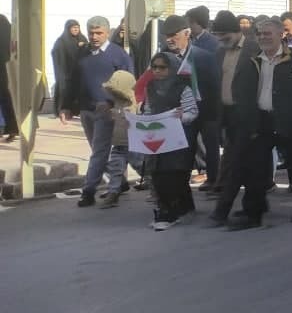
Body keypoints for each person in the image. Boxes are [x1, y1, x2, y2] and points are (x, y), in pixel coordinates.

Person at [224, 19, 292, 230]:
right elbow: (241, 89)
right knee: (255, 168)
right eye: (260, 34)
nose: (263, 37)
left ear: (281, 35)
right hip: (261, 120)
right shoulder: (253, 59)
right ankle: (253, 212)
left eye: (268, 34)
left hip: (290, 120)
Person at [61, 16, 134, 208]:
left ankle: (88, 191)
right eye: (91, 32)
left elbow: (128, 85)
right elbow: (72, 80)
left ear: (107, 33)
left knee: (99, 152)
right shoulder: (82, 53)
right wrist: (66, 105)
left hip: (107, 111)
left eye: (99, 33)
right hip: (86, 110)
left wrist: (111, 103)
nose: (94, 36)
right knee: (98, 150)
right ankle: (120, 182)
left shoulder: (119, 55)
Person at [208, 11, 261, 224]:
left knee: (234, 164)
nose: (221, 39)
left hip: (249, 116)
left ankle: (222, 210)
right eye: (218, 35)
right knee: (244, 164)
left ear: (236, 31)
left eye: (224, 35)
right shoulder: (220, 53)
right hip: (228, 116)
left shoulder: (254, 50)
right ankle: (256, 205)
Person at [138, 53, 201, 230]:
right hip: (158, 137)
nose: (157, 71)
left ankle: (172, 212)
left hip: (179, 138)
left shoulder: (182, 87)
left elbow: (192, 112)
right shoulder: (150, 86)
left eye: (162, 67)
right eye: (154, 67)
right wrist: (141, 122)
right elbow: (149, 109)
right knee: (158, 173)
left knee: (175, 174)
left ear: (172, 68)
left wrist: (181, 117)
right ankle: (173, 209)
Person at [159, 15, 222, 193]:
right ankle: (180, 184)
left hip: (206, 109)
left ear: (187, 33)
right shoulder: (163, 57)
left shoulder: (204, 57)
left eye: (174, 35)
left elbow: (215, 85)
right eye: (166, 35)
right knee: (183, 149)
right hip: (180, 111)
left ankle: (213, 180)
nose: (170, 39)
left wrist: (217, 113)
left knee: (211, 147)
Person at [51, 19, 88, 126]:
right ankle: (64, 113)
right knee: (65, 92)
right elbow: (56, 55)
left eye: (77, 27)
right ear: (68, 29)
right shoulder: (62, 41)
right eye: (73, 28)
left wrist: (83, 46)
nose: (76, 30)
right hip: (66, 72)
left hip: (79, 72)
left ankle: (77, 111)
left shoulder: (82, 39)